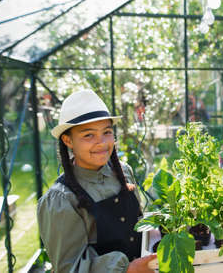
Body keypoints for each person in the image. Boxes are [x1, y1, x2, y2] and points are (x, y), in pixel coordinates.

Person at [37, 89, 155, 273]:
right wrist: (127, 269)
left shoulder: (123, 172)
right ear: (68, 140)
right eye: (88, 135)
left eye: (106, 132)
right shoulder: (62, 199)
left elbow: (136, 225)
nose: (101, 142)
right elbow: (70, 267)